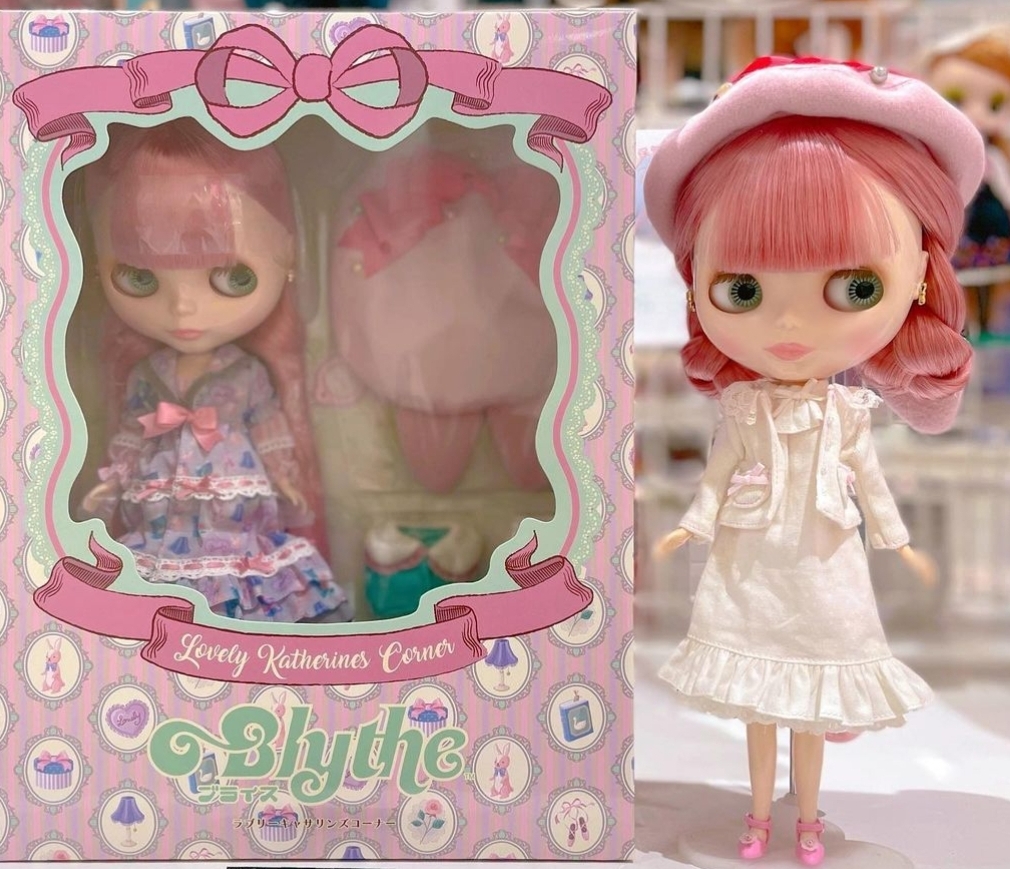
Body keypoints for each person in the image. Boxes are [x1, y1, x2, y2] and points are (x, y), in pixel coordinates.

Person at [644, 56, 983, 865]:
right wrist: (692, 524)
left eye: (855, 287)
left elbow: (868, 481)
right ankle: (760, 816)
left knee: (809, 701)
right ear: (694, 286)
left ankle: (805, 817)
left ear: (920, 277)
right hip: (752, 559)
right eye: (743, 291)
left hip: (825, 563)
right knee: (760, 704)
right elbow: (719, 472)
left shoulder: (846, 411)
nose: (790, 325)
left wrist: (897, 540)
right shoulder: (743, 407)